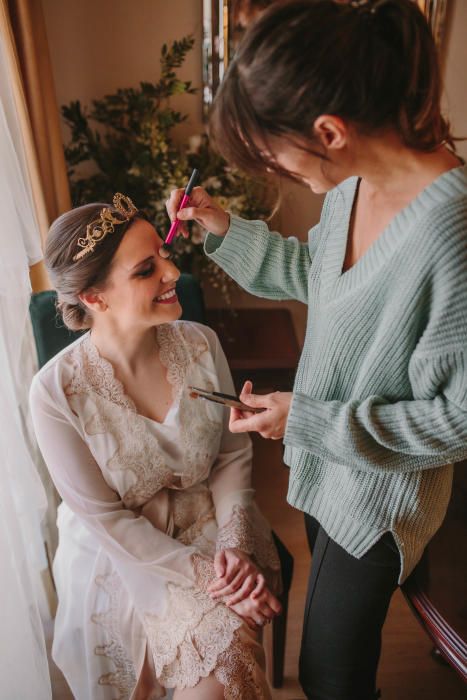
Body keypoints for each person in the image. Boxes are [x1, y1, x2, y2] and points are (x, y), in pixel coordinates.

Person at [165, 1, 467, 698]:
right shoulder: (350, 188)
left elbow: (454, 420)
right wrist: (221, 225)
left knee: (332, 677)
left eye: (274, 152)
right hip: (324, 466)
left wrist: (305, 419)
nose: (273, 167)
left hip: (378, 495)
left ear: (328, 130)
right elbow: (317, 277)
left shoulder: (450, 233)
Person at [29, 194, 282, 700]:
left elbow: (231, 454)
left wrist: (232, 546)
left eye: (163, 255)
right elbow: (107, 520)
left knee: (231, 662)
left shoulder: (201, 344)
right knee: (225, 653)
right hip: (122, 556)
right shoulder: (54, 393)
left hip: (214, 523)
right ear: (95, 297)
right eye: (148, 269)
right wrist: (209, 576)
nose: (173, 272)